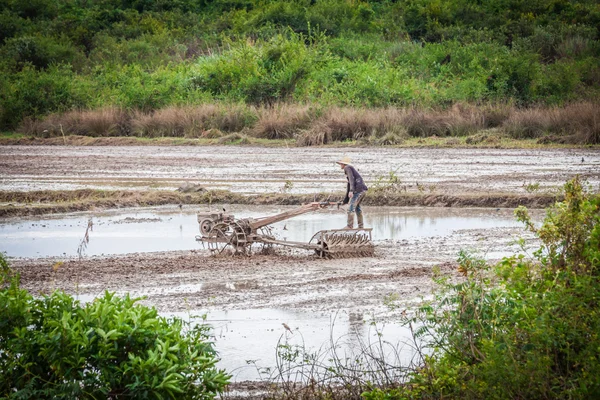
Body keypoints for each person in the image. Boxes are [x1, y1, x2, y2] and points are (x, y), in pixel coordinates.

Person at [336, 156, 368, 229]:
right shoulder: (350, 169)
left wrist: (351, 191)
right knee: (357, 208)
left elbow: (351, 180)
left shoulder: (347, 168)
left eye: (341, 164)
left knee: (351, 208)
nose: (340, 165)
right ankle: (361, 226)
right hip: (363, 190)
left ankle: (349, 226)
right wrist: (345, 200)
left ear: (343, 164)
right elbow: (349, 184)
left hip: (358, 191)